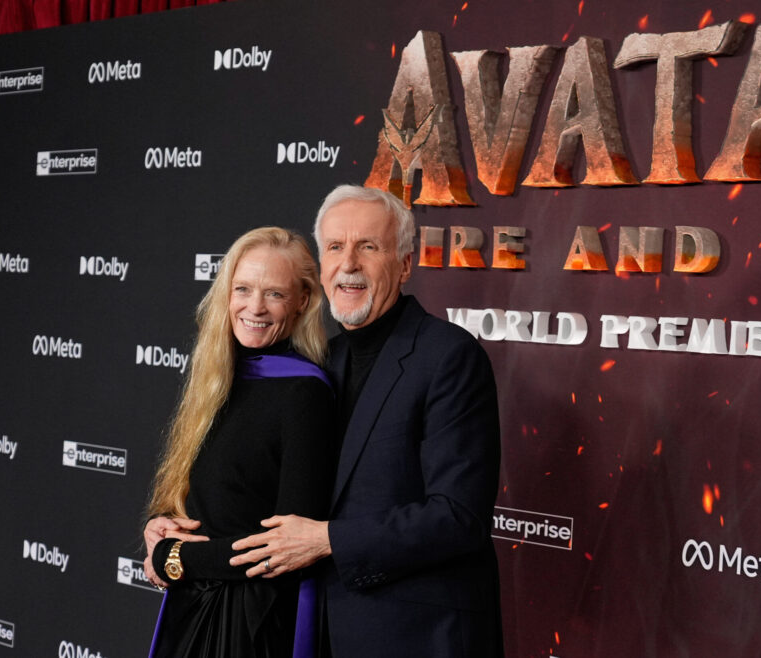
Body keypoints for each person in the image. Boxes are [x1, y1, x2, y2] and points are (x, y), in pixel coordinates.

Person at [228, 185, 504, 657]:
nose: (349, 264)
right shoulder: (318, 364)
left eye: (368, 247)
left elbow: (459, 517)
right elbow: (252, 480)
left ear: (405, 265)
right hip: (319, 630)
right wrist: (173, 528)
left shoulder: (449, 356)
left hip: (420, 638)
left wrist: (327, 539)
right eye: (336, 247)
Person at [142, 227, 333, 657]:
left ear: (303, 300)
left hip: (252, 619)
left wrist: (175, 559)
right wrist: (162, 527)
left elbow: (286, 549)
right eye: (242, 289)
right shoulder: (217, 376)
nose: (255, 307)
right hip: (194, 602)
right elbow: (213, 500)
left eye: (274, 294)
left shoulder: (304, 392)